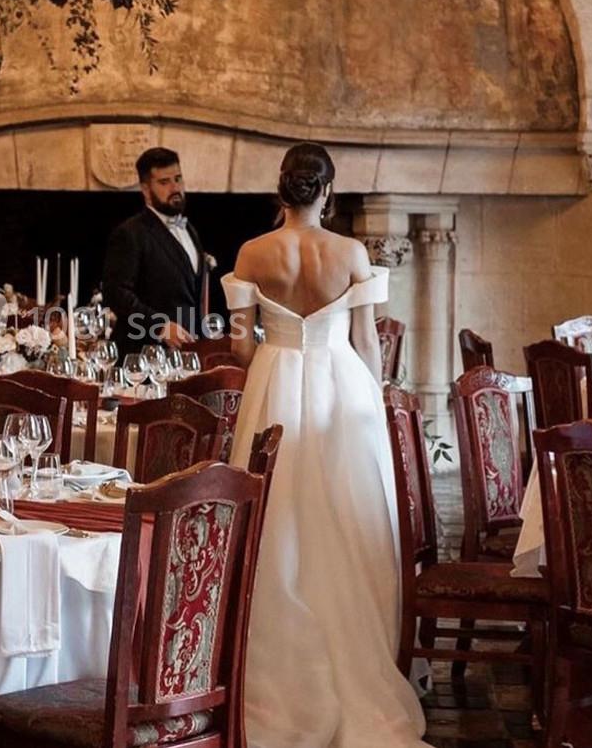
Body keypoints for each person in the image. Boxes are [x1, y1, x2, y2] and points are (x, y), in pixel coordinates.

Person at [223, 143, 427, 748]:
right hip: (342, 386)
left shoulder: (252, 252)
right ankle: (361, 657)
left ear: (281, 189)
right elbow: (367, 343)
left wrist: (272, 356)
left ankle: (274, 671)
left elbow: (239, 347)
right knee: (346, 520)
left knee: (277, 522)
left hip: (274, 381)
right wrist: (375, 401)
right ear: (328, 192)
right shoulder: (351, 253)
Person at [102, 147, 210, 356]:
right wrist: (159, 326)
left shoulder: (190, 229)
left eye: (178, 179)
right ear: (145, 189)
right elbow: (115, 293)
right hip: (142, 355)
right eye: (164, 182)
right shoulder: (129, 233)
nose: (175, 187)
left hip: (186, 352)